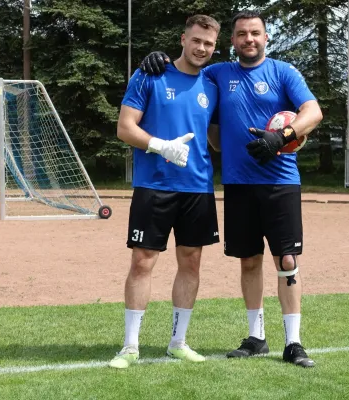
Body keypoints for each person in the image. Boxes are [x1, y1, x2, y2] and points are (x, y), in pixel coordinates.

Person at [140, 10, 323, 368]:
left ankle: (294, 342)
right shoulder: (217, 73)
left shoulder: (283, 72)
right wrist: (156, 60)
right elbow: (186, 70)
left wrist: (281, 136)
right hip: (238, 184)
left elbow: (313, 112)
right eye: (242, 34)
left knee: (286, 260)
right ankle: (256, 338)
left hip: (280, 182)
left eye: (255, 33)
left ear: (266, 37)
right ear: (233, 41)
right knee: (249, 260)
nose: (249, 39)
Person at [109, 14, 221, 369]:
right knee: (142, 263)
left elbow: (218, 140)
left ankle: (178, 341)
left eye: (209, 43)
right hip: (154, 185)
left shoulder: (213, 84)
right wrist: (160, 145)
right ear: (183, 39)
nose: (202, 48)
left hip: (198, 188)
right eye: (196, 40)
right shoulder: (149, 74)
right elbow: (125, 129)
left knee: (191, 263)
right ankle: (129, 346)